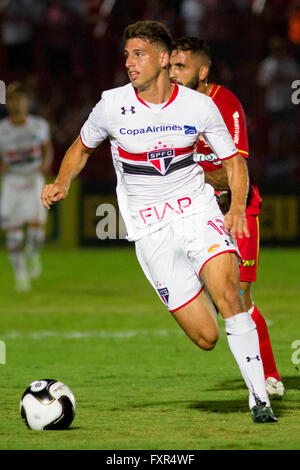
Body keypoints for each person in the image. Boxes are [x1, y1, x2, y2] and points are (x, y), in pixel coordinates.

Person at [41, 20, 277, 422]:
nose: (130, 63)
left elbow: (234, 161)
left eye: (139, 54)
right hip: (149, 229)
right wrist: (62, 181)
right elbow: (81, 149)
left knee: (230, 292)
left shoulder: (199, 106)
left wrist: (236, 207)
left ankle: (259, 398)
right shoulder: (112, 105)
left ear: (163, 59)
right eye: (127, 55)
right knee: (206, 336)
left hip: (196, 211)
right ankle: (210, 289)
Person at [169, 36, 284, 397]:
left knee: (240, 293)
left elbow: (236, 168)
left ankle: (269, 376)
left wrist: (192, 174)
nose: (171, 73)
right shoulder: (171, 107)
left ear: (202, 72)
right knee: (220, 299)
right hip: (199, 212)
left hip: (237, 208)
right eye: (170, 65)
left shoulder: (225, 103)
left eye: (180, 67)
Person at [0, 82, 53, 292]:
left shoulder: (39, 125)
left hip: (33, 181)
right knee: (13, 234)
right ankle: (20, 274)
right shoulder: (2, 129)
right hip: (12, 182)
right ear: (8, 104)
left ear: (27, 102)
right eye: (13, 100)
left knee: (36, 235)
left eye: (21, 99)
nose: (17, 104)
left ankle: (33, 254)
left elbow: (46, 148)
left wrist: (45, 164)